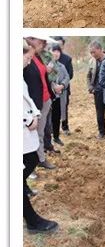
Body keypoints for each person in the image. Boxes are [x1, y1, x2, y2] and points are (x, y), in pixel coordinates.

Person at [23, 41, 59, 234]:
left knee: (31, 158)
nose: (29, 62)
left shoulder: (34, 61)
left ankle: (31, 217)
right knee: (30, 159)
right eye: (27, 58)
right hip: (25, 124)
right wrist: (27, 119)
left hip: (33, 112)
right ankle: (32, 221)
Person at [23, 36, 56, 170]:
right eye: (40, 41)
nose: (43, 44)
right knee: (36, 133)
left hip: (45, 98)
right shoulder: (24, 58)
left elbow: (42, 76)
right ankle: (36, 161)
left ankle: (38, 158)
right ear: (29, 40)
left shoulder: (37, 56)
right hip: (35, 102)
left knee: (43, 130)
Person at [48, 44, 70, 147]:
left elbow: (67, 77)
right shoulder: (47, 65)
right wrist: (53, 86)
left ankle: (56, 137)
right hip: (49, 95)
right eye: (54, 51)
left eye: (58, 51)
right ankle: (48, 140)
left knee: (57, 116)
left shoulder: (62, 66)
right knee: (48, 117)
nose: (56, 53)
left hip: (59, 95)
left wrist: (61, 86)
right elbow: (46, 78)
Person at [87, 40, 105, 138]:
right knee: (99, 113)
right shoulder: (92, 61)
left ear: (100, 50)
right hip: (98, 91)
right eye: (91, 52)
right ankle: (102, 132)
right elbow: (88, 76)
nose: (92, 54)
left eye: (94, 52)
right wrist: (90, 86)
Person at [52, 36, 74, 136]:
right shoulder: (49, 60)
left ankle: (65, 127)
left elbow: (70, 74)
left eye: (60, 44)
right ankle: (54, 129)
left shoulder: (67, 59)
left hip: (64, 89)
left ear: (63, 46)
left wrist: (62, 85)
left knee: (64, 108)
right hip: (52, 90)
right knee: (53, 110)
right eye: (56, 43)